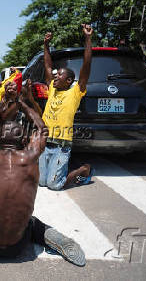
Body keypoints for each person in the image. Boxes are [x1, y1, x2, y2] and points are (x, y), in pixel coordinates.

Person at [0, 82, 85, 274]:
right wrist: (22, 102)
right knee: (33, 222)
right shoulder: (30, 156)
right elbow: (43, 129)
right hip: (18, 246)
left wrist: (3, 102)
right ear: (24, 140)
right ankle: (57, 239)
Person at [39, 25, 94, 191]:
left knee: (54, 185)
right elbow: (48, 66)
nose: (55, 77)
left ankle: (83, 169)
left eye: (59, 75)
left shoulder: (76, 92)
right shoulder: (52, 89)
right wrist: (46, 45)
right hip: (45, 143)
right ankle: (58, 170)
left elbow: (86, 66)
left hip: (61, 146)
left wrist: (88, 39)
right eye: (55, 75)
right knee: (41, 182)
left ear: (69, 80)